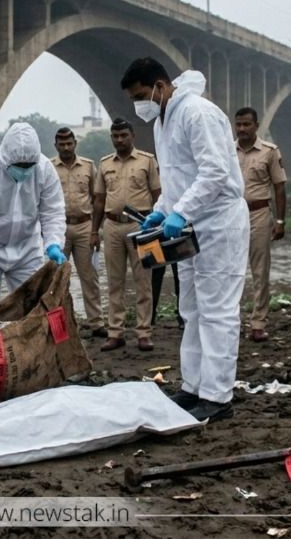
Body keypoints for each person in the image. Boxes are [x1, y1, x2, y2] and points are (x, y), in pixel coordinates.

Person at [122, 58, 248, 422]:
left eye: (142, 95)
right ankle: (194, 387)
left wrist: (182, 211)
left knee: (218, 311)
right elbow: (178, 177)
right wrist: (162, 209)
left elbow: (214, 172)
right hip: (191, 225)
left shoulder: (198, 113)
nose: (139, 105)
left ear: (161, 85)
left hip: (219, 222)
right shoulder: (164, 120)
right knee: (191, 310)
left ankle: (218, 394)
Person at [0, 123, 67, 313]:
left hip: (27, 249)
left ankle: (20, 343)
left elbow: (53, 212)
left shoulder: (45, 169)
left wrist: (53, 244)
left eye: (28, 166)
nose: (24, 170)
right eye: (18, 166)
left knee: (32, 307)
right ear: (5, 158)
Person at [93, 118, 162, 351]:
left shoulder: (147, 161)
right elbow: (99, 200)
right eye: (115, 136)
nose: (119, 140)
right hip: (112, 226)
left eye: (123, 135)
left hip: (141, 225)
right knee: (115, 281)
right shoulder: (104, 164)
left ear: (132, 136)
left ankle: (144, 332)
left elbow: (158, 194)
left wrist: (158, 226)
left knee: (144, 281)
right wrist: (95, 230)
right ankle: (116, 332)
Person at [234, 107, 286, 342]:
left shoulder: (269, 152)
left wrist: (280, 220)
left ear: (256, 125)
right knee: (230, 272)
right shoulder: (226, 152)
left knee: (259, 271)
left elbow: (279, 187)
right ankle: (230, 321)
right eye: (239, 124)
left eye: (246, 124)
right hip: (232, 216)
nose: (242, 129)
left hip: (258, 214)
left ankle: (258, 323)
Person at [51, 128, 103, 332]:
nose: (65, 147)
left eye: (69, 143)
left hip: (84, 226)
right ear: (56, 145)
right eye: (61, 144)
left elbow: (97, 199)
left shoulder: (89, 167)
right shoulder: (48, 167)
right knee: (56, 279)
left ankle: (96, 322)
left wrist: (95, 231)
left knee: (89, 276)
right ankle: (58, 325)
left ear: (75, 143)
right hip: (58, 228)